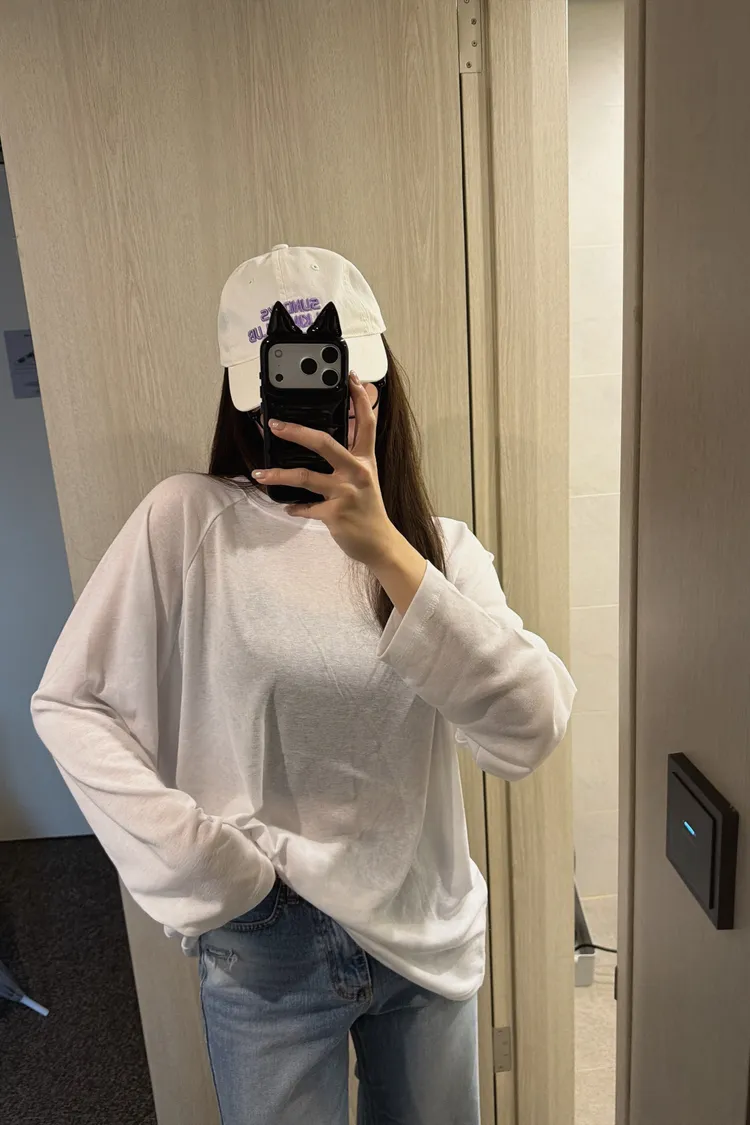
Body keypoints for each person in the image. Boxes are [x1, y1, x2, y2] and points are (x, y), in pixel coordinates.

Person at [31, 245, 576, 1125]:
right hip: (266, 942)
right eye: (283, 385)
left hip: (423, 928)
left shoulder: (438, 549)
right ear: (246, 397)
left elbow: (531, 726)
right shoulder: (189, 522)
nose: (311, 404)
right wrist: (201, 863)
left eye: (334, 380)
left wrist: (387, 551)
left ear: (375, 387)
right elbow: (70, 702)